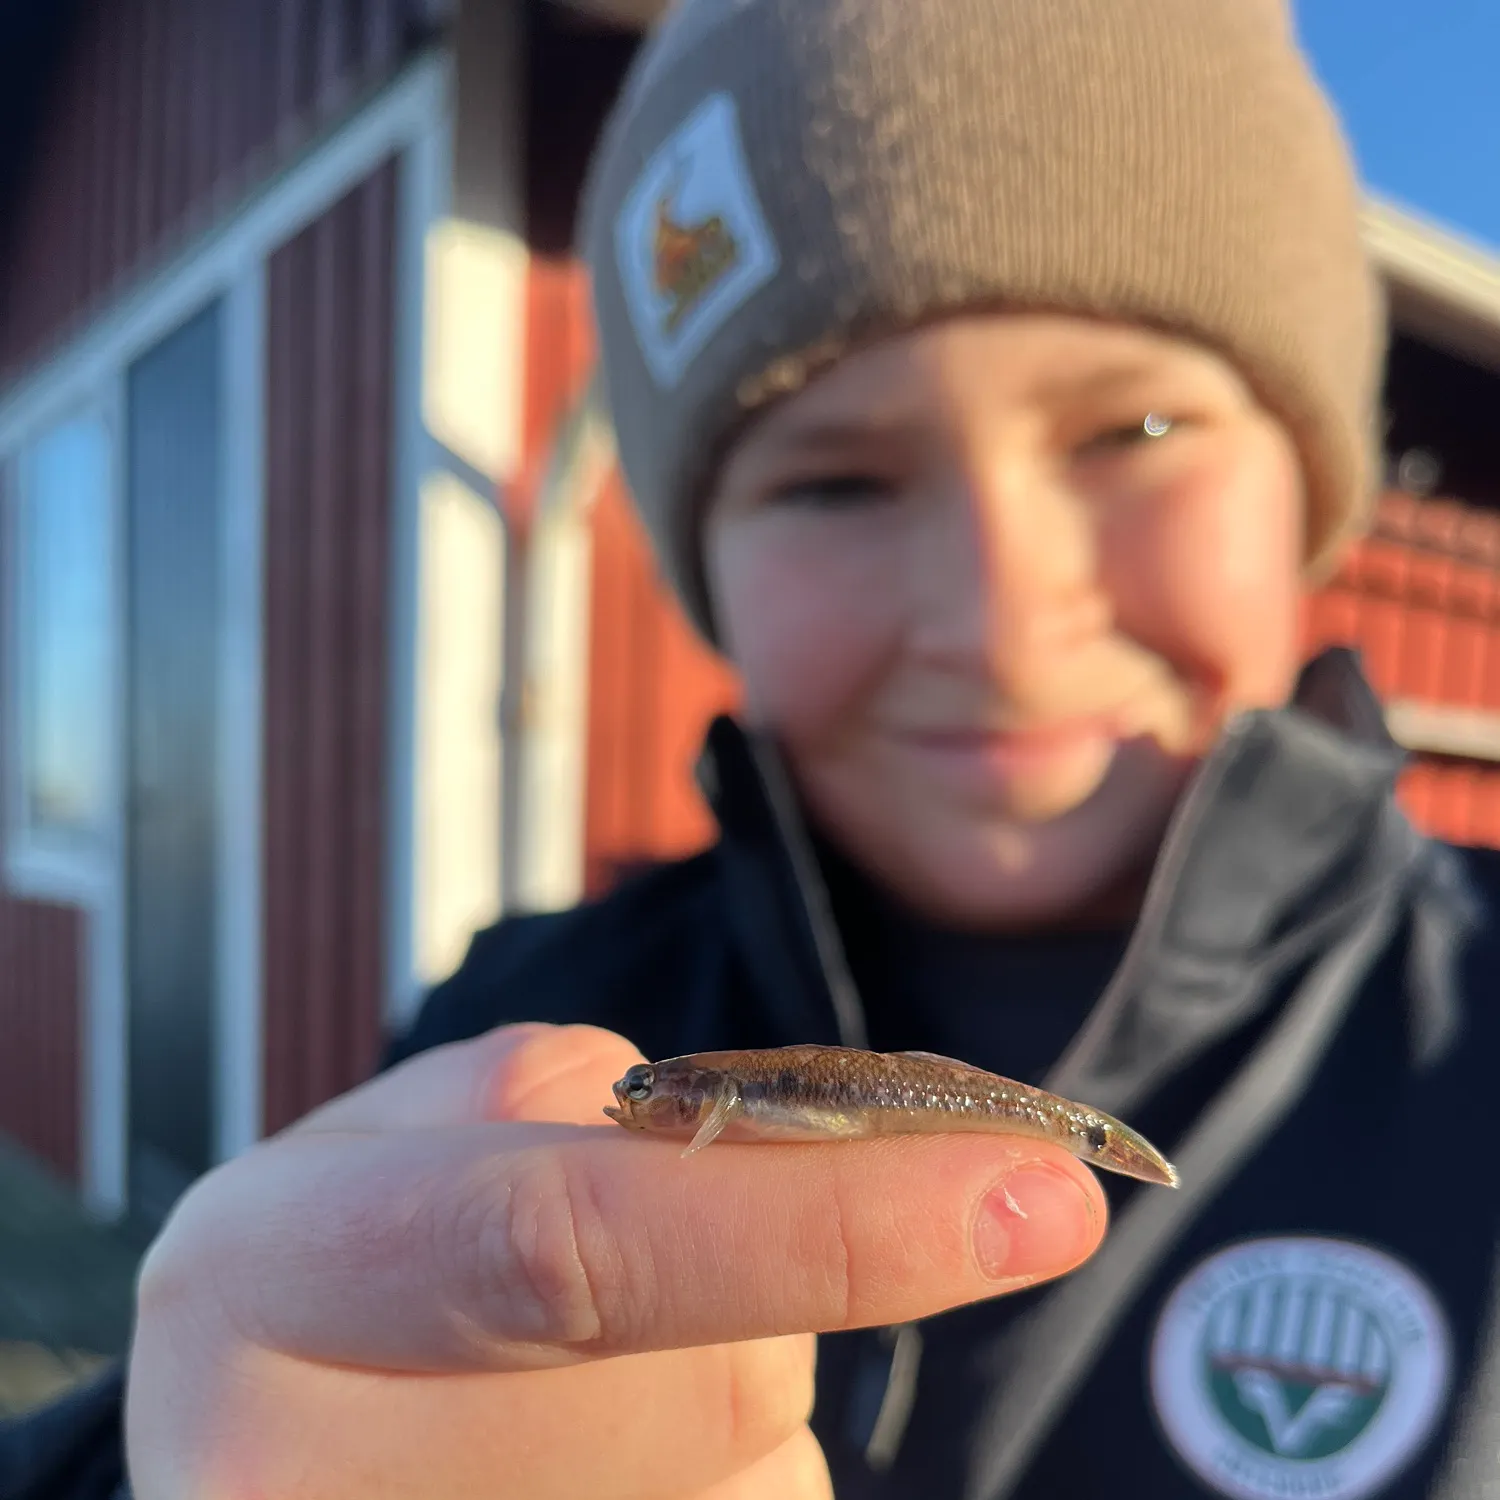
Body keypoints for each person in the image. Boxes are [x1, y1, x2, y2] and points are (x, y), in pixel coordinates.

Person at [8, 0, 1500, 1496]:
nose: (998, 620)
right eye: (840, 481)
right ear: (703, 562)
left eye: (1140, 435)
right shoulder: (522, 1035)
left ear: (1315, 489)